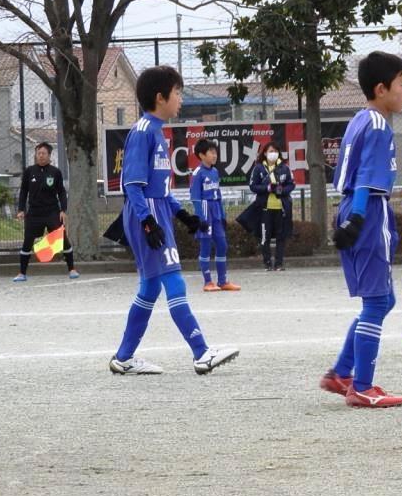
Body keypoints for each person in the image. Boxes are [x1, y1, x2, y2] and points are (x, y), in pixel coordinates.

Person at [108, 66, 239, 375]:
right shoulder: (143, 132)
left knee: (151, 287)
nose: (180, 98)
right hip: (147, 214)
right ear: (160, 97)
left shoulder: (156, 131)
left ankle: (124, 357)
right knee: (174, 280)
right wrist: (148, 222)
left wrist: (184, 217)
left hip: (156, 211)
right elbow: (132, 184)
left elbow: (159, 189)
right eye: (178, 92)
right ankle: (202, 352)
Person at [318, 51, 402, 408]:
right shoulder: (377, 125)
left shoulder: (360, 119)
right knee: (376, 301)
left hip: (360, 210)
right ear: (381, 88)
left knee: (384, 299)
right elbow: (366, 182)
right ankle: (362, 387)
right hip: (368, 211)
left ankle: (341, 372)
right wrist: (357, 219)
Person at [14, 142, 78, 282]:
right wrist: (21, 209)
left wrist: (63, 210)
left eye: (43, 153)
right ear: (36, 155)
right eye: (38, 153)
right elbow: (24, 191)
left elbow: (61, 191)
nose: (41, 156)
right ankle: (22, 273)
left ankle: (72, 269)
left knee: (63, 240)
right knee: (27, 242)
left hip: (52, 212)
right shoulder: (29, 171)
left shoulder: (55, 172)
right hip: (34, 213)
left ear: (49, 155)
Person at [190, 138, 240, 292]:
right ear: (201, 155)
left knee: (222, 245)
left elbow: (218, 194)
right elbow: (195, 198)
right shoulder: (198, 173)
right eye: (211, 152)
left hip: (216, 210)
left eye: (215, 152)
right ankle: (207, 282)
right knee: (205, 245)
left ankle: (223, 281)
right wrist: (201, 219)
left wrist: (223, 215)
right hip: (205, 211)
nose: (214, 155)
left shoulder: (215, 171)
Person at [238, 142, 295, 271]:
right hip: (265, 209)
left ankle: (279, 263)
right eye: (270, 151)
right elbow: (253, 186)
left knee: (281, 236)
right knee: (265, 236)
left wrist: (281, 190)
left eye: (275, 151)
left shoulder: (284, 168)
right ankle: (267, 262)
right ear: (264, 153)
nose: (273, 153)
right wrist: (267, 188)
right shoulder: (258, 168)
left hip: (281, 208)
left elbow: (291, 184)